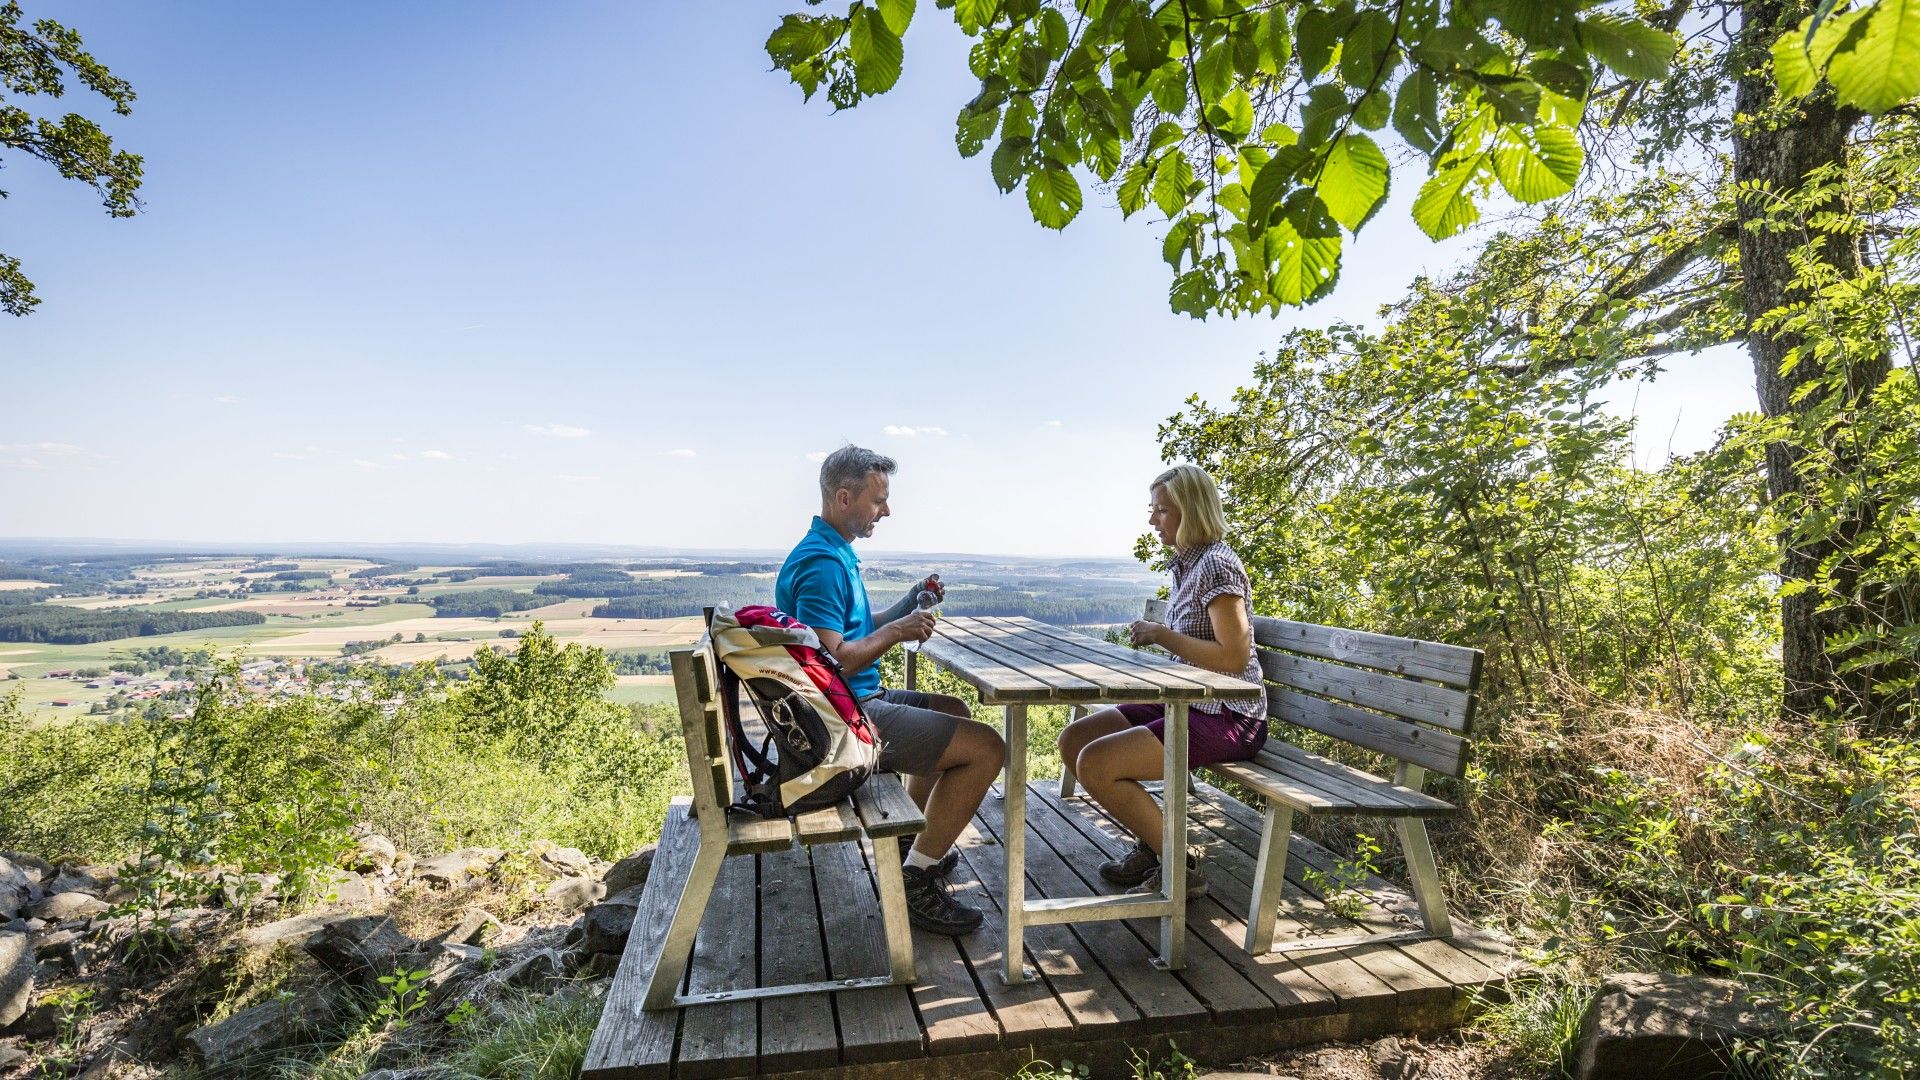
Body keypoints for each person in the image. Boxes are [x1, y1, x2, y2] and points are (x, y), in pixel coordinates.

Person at [775, 445, 1006, 935]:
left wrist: (907, 605)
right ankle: (915, 880)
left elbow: (853, 631)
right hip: (842, 721)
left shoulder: (834, 552)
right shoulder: (822, 565)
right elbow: (833, 660)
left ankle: (910, 842)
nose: (887, 510)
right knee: (987, 747)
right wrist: (900, 631)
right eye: (878, 500)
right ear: (843, 497)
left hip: (850, 704)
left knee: (953, 709)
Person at [1056, 464, 1267, 898]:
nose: (1153, 519)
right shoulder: (1187, 565)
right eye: (1152, 509)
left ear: (1193, 511)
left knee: (1097, 763)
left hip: (1229, 714)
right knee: (1075, 740)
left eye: (1162, 510)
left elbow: (1234, 656)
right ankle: (1156, 846)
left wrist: (1161, 634)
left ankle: (1179, 869)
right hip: (1187, 700)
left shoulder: (1217, 566)